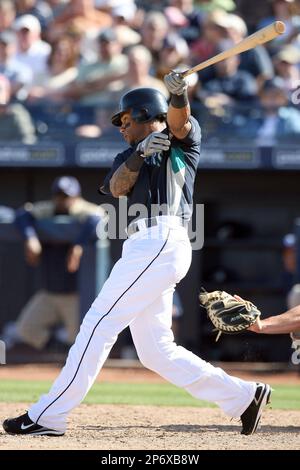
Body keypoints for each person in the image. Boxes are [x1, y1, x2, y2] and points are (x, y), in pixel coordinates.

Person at [3, 74, 270, 437]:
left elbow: (179, 121)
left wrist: (178, 95)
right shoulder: (129, 153)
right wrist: (140, 152)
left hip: (162, 237)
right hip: (147, 245)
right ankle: (244, 397)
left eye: (127, 120)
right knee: (155, 351)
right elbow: (116, 186)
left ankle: (49, 415)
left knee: (98, 322)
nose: (122, 128)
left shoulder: (183, 143)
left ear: (147, 114)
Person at [7, 176, 105, 352]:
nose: (63, 200)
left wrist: (78, 245)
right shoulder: (47, 210)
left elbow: (98, 218)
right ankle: (56, 348)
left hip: (75, 295)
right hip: (49, 293)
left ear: (76, 197)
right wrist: (30, 238)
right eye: (59, 195)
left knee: (84, 337)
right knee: (26, 329)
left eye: (67, 196)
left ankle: (68, 351)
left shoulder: (84, 211)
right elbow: (21, 215)